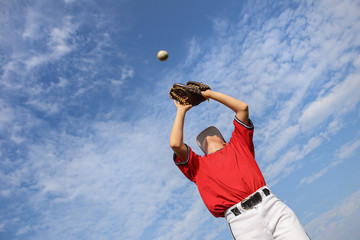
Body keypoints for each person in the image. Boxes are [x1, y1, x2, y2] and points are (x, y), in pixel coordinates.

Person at [170, 88, 310, 239]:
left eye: (212, 133)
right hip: (241, 221)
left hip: (271, 206)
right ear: (201, 150)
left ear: (224, 140)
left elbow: (242, 108)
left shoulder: (238, 144)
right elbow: (175, 144)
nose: (208, 136)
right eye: (204, 138)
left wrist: (209, 94)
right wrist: (181, 110)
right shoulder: (197, 165)